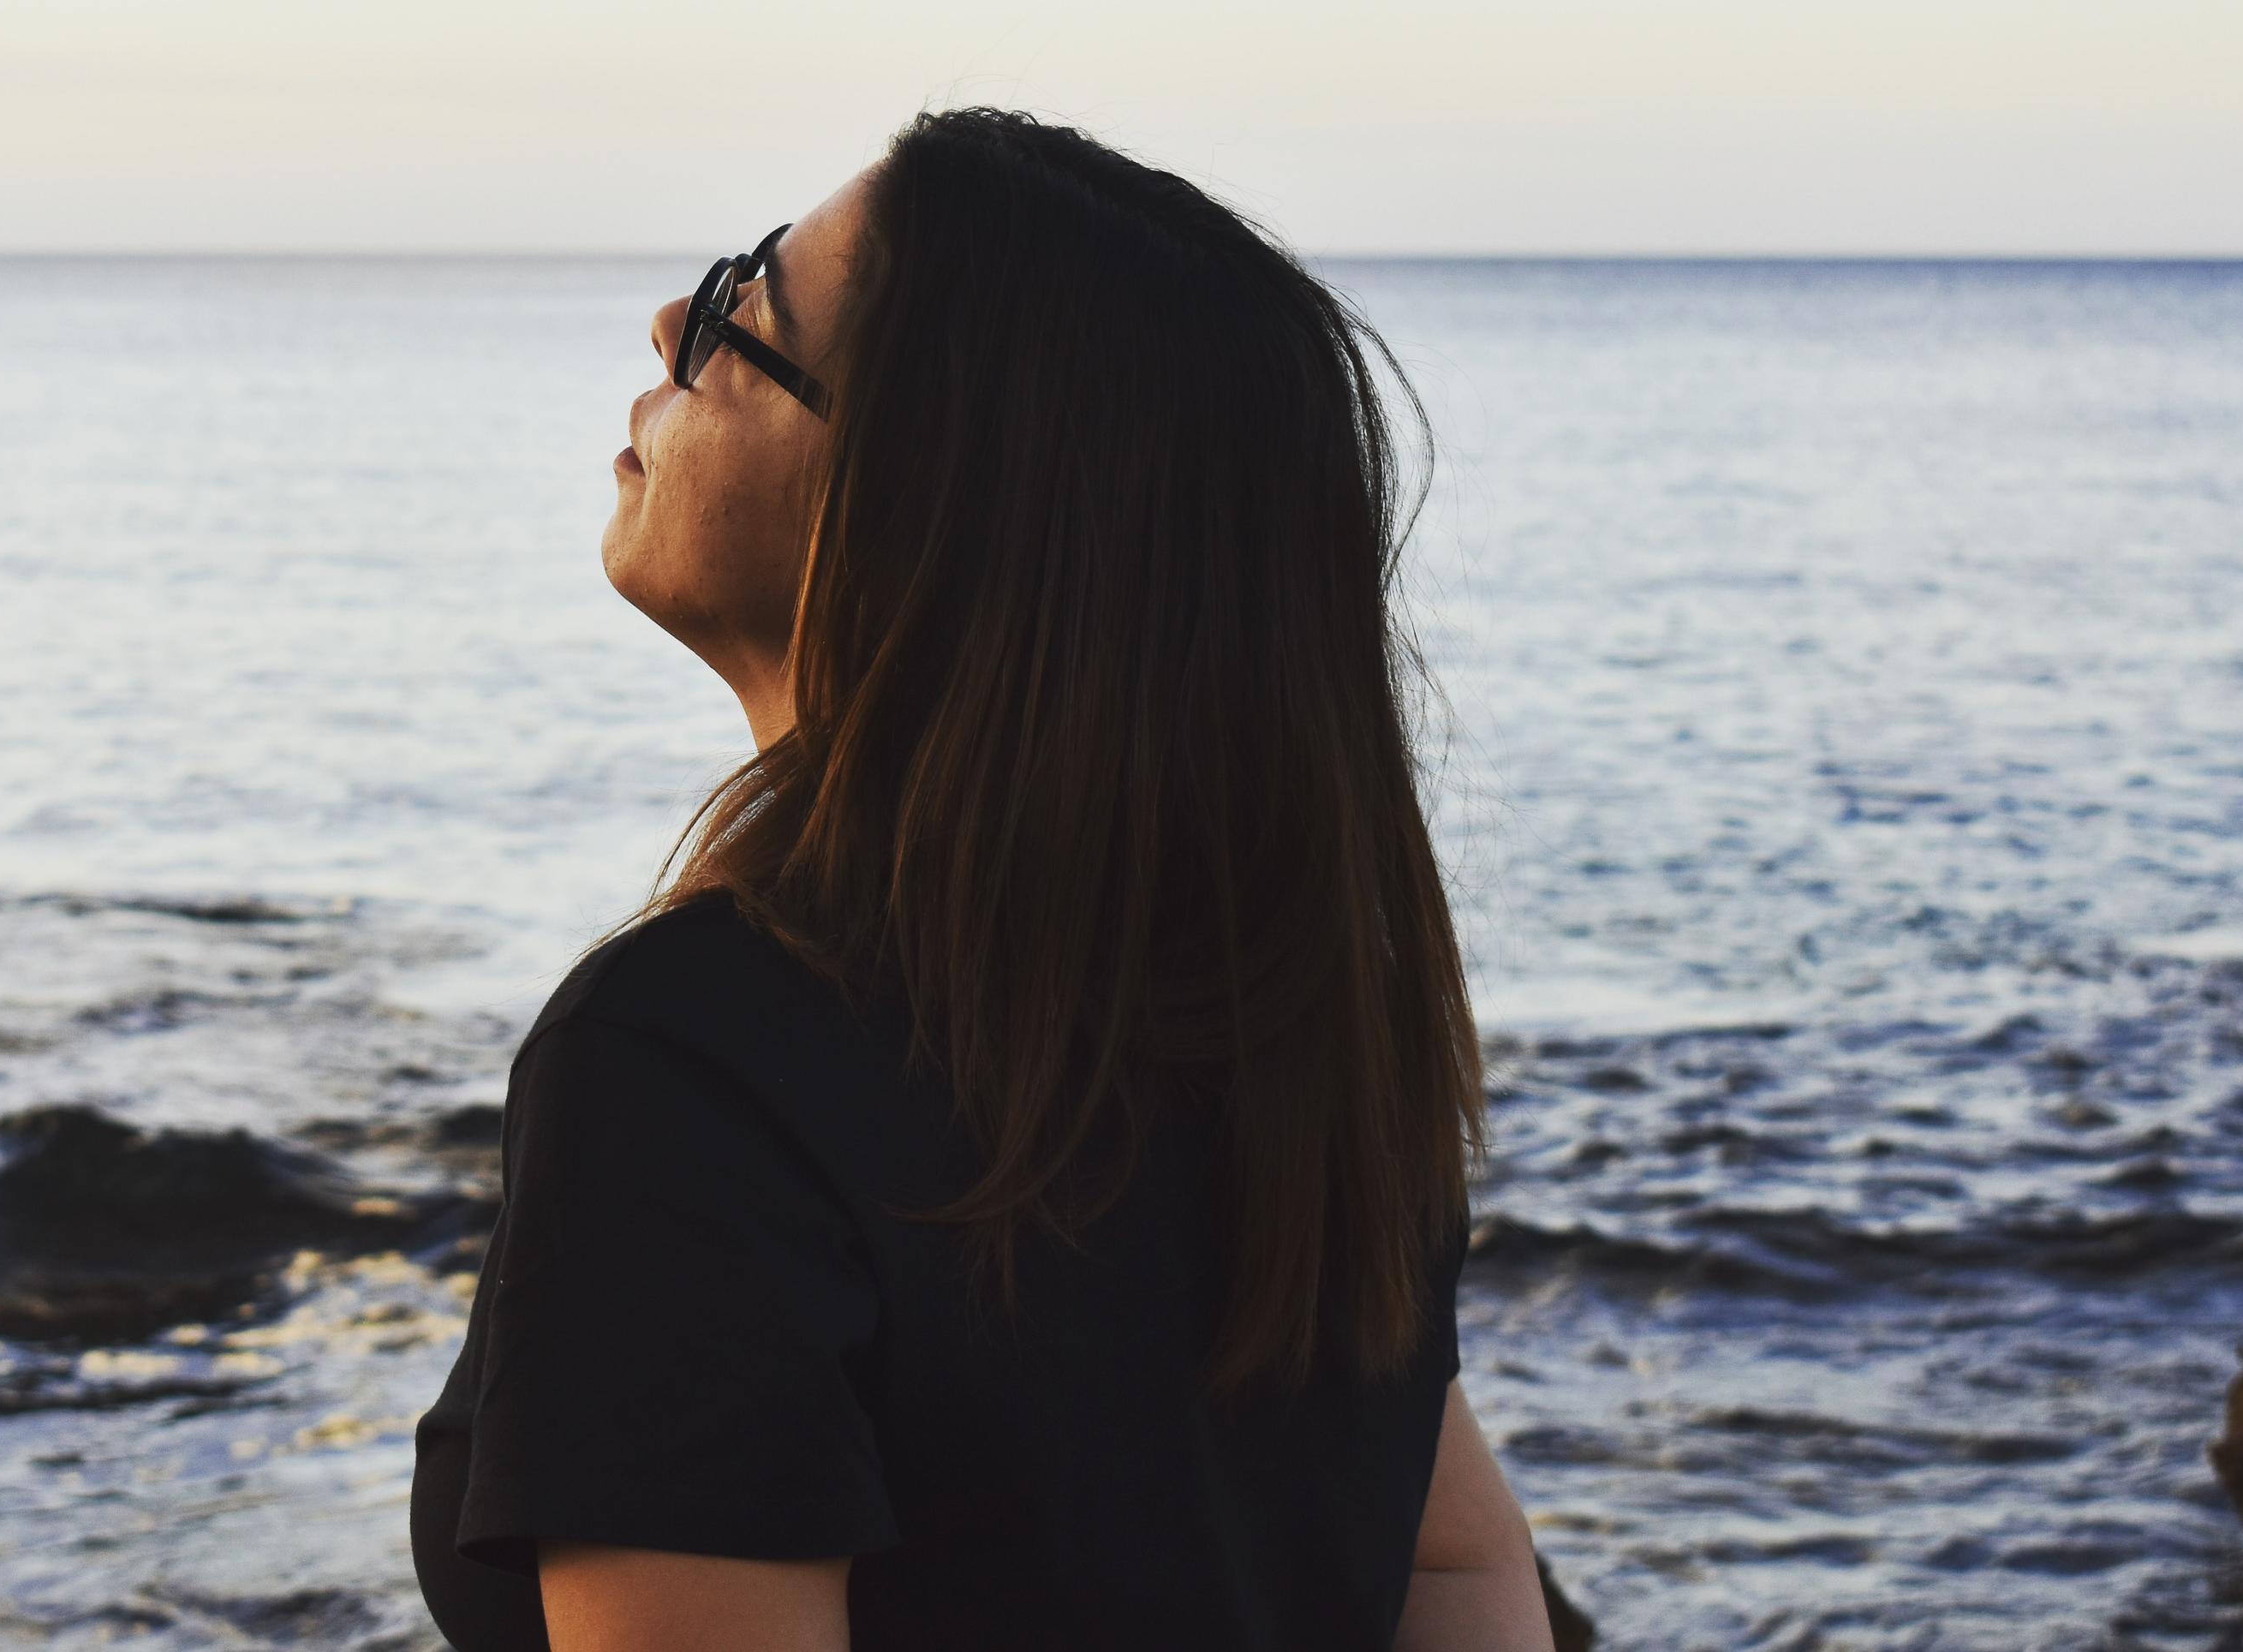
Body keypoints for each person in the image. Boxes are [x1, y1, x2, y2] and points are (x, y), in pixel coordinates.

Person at [409, 105, 1554, 1652]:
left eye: (752, 306)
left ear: (917, 498)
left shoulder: (693, 1063)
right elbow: (1455, 1572)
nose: (677, 322)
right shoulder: (1294, 1028)